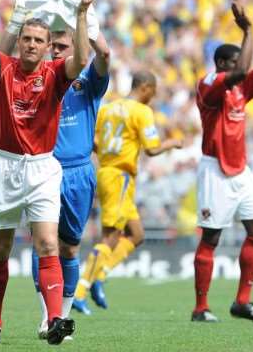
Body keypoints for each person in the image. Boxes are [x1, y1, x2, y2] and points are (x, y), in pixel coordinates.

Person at [0, 0, 94, 345]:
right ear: (19, 39)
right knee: (0, 249)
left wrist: (83, 15)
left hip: (41, 168)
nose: (33, 45)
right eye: (27, 38)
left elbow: (82, 59)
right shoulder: (1, 69)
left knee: (48, 244)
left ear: (45, 44)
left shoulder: (56, 74)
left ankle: (55, 320)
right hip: (5, 165)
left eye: (39, 40)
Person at [0, 2, 110, 335]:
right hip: (43, 168)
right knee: (43, 243)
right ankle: (46, 316)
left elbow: (103, 55)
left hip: (78, 173)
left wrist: (87, 23)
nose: (58, 53)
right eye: (56, 47)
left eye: (65, 47)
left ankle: (62, 314)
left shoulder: (87, 82)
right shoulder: (41, 78)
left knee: (71, 247)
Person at [191, 0, 253, 323]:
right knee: (211, 237)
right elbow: (242, 70)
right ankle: (201, 307)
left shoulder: (241, 89)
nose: (239, 69)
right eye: (232, 63)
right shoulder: (208, 85)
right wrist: (248, 31)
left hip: (241, 171)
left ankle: (243, 301)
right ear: (221, 64)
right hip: (215, 169)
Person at [73, 72, 183, 313]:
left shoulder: (107, 108)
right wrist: (172, 143)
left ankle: (99, 275)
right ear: (145, 87)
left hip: (109, 173)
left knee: (136, 234)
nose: (154, 96)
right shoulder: (141, 112)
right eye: (153, 90)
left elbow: (92, 140)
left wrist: (108, 152)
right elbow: (152, 150)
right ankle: (79, 291)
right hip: (119, 176)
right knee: (110, 236)